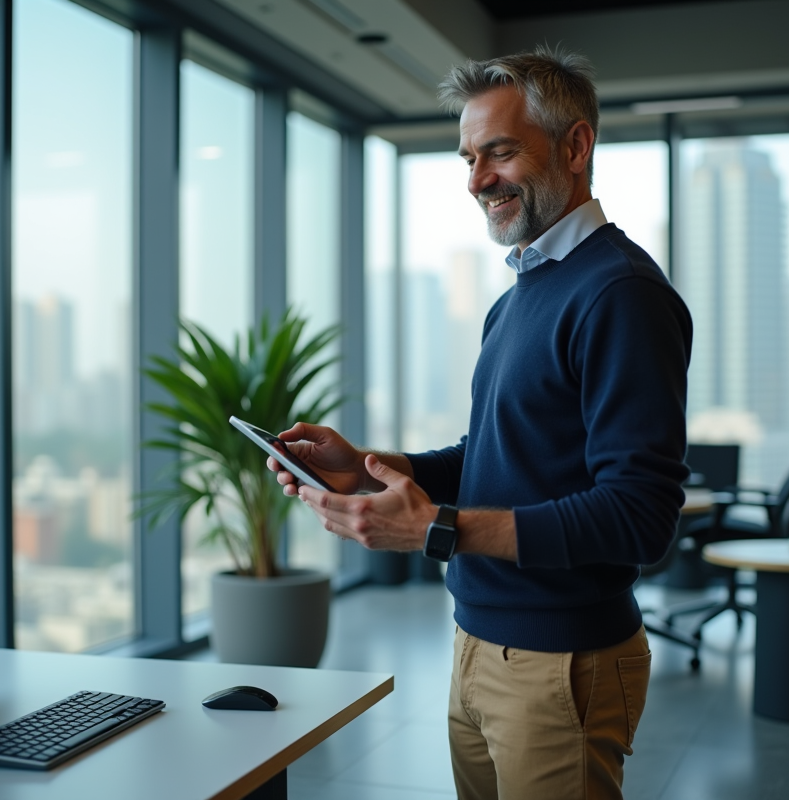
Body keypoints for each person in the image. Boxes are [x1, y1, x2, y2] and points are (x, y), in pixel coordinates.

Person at [267, 47, 692, 800]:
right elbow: (496, 454)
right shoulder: (520, 294)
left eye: (499, 153)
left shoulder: (620, 293)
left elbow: (641, 516)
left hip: (560, 661)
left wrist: (438, 529)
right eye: (468, 157)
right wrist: (366, 462)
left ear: (575, 146)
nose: (476, 181)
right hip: (477, 643)